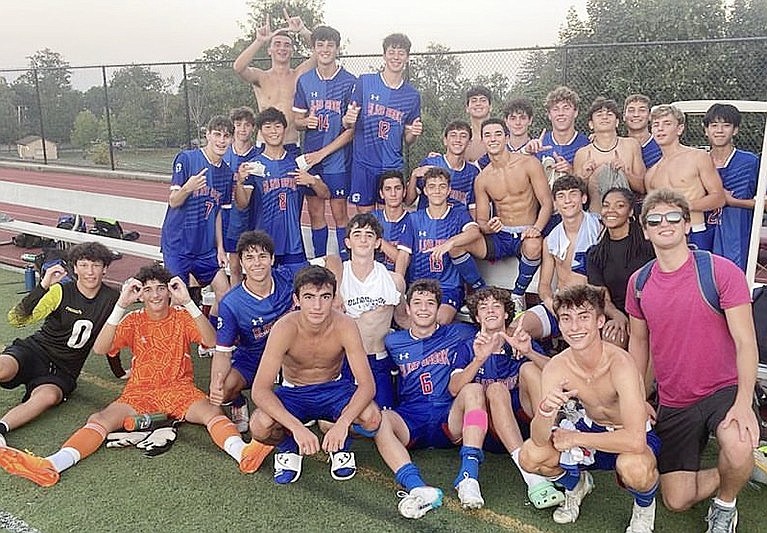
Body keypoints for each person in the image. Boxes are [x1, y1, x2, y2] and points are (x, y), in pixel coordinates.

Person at [0, 265, 270, 487]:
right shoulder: (133, 320)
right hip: (139, 393)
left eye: (161, 289)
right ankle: (52, 464)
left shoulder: (181, 316)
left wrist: (188, 302)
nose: (155, 295)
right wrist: (121, 304)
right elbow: (101, 348)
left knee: (213, 414)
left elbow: (211, 341)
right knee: (100, 419)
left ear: (169, 293)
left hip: (179, 390)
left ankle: (243, 453)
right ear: (140, 294)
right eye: (148, 290)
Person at [627, 189, 758, 532]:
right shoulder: (639, 283)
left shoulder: (720, 271)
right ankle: (739, 468)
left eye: (673, 217)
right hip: (674, 400)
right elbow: (639, 344)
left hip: (723, 389)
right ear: (645, 230)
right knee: (676, 499)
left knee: (738, 440)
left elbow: (746, 342)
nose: (664, 224)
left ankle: (726, 504)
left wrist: (744, 403)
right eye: (654, 220)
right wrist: (638, 399)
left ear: (687, 225)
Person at [520, 284, 660, 532]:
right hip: (590, 427)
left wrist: (575, 438)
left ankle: (644, 508)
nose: (574, 327)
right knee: (530, 455)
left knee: (635, 468)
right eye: (566, 318)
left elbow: (636, 440)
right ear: (559, 325)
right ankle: (576, 485)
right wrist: (544, 410)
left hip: (625, 434)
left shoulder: (621, 364)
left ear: (600, 321)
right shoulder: (557, 367)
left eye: (583, 317)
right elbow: (538, 439)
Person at [250, 265, 381, 484]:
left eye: (325, 296)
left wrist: (343, 424)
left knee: (372, 418)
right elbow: (260, 390)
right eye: (309, 297)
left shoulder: (345, 325)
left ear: (334, 298)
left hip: (333, 388)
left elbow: (367, 385)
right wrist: (296, 428)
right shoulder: (284, 328)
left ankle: (340, 445)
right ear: (297, 299)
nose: (317, 306)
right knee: (259, 426)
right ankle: (289, 448)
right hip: (294, 392)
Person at [375, 279, 487, 517]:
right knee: (381, 419)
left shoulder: (459, 332)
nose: (423, 308)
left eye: (430, 303)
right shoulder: (393, 341)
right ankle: (417, 488)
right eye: (417, 302)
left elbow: (492, 330)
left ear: (439, 309)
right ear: (407, 308)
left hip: (449, 415)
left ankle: (468, 478)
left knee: (474, 391)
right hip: (411, 416)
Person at [450, 287, 563, 510]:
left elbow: (559, 375)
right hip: (479, 428)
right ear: (476, 317)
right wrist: (479, 359)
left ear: (506, 314)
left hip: (516, 429)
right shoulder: (467, 346)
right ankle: (472, 477)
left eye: (496, 306)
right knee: (482, 390)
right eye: (483, 308)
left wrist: (529, 351)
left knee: (529, 370)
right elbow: (454, 389)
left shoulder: (519, 343)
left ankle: (552, 445)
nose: (490, 311)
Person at [0, 242, 118, 446]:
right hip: (35, 351)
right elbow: (17, 319)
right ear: (74, 268)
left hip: (64, 370)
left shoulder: (112, 298)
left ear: (105, 268)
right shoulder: (60, 291)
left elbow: (112, 337)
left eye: (96, 265)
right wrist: (43, 285)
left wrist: (119, 371)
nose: (90, 272)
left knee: (47, 397)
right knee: (3, 368)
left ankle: (1, 428)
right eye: (83, 265)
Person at [458, 117, 553, 314]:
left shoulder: (529, 164)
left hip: (526, 232)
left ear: (507, 137)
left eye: (498, 134)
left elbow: (546, 203)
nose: (493, 139)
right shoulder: (482, 178)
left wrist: (536, 228)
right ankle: (482, 294)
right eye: (487, 135)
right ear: (483, 141)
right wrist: (487, 227)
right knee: (457, 247)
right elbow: (482, 221)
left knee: (534, 245)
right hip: (501, 234)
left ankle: (518, 295)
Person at [210, 231, 297, 433]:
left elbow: (332, 260)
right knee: (223, 390)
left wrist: (336, 297)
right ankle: (238, 401)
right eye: (249, 257)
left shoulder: (288, 276)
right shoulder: (232, 302)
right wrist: (216, 381)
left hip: (292, 354)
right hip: (253, 357)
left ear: (272, 259)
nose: (256, 263)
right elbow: (223, 351)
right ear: (240, 262)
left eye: (262, 256)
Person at [160, 114, 234, 338]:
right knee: (177, 297)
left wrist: (220, 248)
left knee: (225, 292)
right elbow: (173, 201)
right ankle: (172, 345)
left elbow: (219, 211)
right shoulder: (187, 159)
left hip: (204, 248)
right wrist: (188, 187)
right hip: (178, 244)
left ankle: (209, 336)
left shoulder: (227, 173)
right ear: (208, 135)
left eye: (226, 136)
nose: (222, 140)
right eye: (217, 135)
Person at [234, 107, 329, 274]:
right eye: (268, 127)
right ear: (261, 132)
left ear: (284, 129)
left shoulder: (298, 163)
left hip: (293, 243)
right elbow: (242, 204)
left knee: (296, 288)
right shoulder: (254, 166)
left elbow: (325, 194)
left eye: (277, 126)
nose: (273, 131)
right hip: (263, 244)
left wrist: (312, 180)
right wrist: (240, 182)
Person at [325, 213, 406, 409]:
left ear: (378, 243)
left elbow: (403, 319)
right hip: (345, 359)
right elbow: (329, 259)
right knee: (330, 421)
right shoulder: (337, 276)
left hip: (376, 359)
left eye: (369, 235)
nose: (363, 239)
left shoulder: (393, 280)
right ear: (348, 242)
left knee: (382, 417)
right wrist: (335, 292)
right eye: (357, 234)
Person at [293, 25, 356, 259]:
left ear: (337, 48)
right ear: (314, 48)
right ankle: (319, 263)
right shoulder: (305, 81)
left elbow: (351, 131)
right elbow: (297, 120)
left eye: (330, 45)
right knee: (316, 212)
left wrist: (323, 154)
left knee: (339, 212)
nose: (325, 49)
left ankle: (346, 263)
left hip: (337, 158)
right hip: (311, 157)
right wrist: (305, 121)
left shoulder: (350, 82)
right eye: (320, 45)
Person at [343, 33, 422, 212]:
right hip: (364, 163)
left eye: (401, 53)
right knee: (365, 217)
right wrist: (347, 121)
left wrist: (414, 133)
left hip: (391, 165)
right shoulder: (365, 82)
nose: (396, 57)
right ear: (384, 55)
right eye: (392, 52)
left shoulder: (412, 95)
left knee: (391, 215)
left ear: (407, 58)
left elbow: (408, 139)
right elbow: (348, 122)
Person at [517, 175, 602, 340]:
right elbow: (543, 286)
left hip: (589, 306)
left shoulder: (599, 231)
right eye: (561, 196)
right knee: (518, 329)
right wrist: (554, 306)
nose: (568, 200)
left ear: (583, 198)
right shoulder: (550, 240)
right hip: (560, 304)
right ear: (555, 204)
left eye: (573, 194)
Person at [406, 167, 483, 324]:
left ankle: (480, 291)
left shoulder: (458, 213)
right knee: (415, 322)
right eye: (432, 186)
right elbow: (403, 255)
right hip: (419, 285)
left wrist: (450, 243)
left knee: (439, 320)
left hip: (449, 287)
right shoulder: (414, 218)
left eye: (442, 186)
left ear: (448, 190)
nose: (437, 191)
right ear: (425, 191)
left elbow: (474, 232)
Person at [645, 104, 725, 251]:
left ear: (680, 129)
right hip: (665, 233)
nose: (660, 129)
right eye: (656, 125)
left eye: (667, 123)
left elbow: (718, 198)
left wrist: (683, 206)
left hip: (695, 231)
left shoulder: (698, 157)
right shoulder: (651, 173)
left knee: (699, 273)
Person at [233, 9, 314, 152]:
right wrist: (259, 41)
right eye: (277, 44)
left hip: (290, 144)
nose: (282, 48)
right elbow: (238, 67)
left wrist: (302, 30)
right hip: (264, 146)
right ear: (269, 50)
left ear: (292, 51)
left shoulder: (298, 75)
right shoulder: (260, 77)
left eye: (287, 45)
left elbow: (319, 54)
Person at [586, 187, 655, 349]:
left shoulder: (649, 245)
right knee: (613, 335)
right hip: (618, 314)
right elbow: (601, 296)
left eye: (619, 205)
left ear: (630, 212)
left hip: (650, 312)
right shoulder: (595, 254)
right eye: (606, 205)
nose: (611, 210)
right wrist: (617, 316)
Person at [702, 103, 759, 271]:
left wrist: (731, 201)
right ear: (706, 130)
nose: (719, 130)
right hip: (703, 233)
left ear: (735, 130)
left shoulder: (750, 162)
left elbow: (764, 203)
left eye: (726, 125)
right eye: (714, 125)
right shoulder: (697, 160)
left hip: (736, 236)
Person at [573, 97, 646, 211]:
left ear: (617, 122)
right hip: (596, 216)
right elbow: (577, 196)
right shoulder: (582, 154)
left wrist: (626, 172)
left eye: (609, 114)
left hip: (626, 214)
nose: (604, 117)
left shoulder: (631, 145)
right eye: (599, 114)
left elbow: (642, 188)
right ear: (591, 124)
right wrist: (585, 177)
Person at [406, 120, 480, 216]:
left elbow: (472, 207)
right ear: (445, 140)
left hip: (457, 224)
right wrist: (414, 176)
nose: (458, 140)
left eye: (463, 136)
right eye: (453, 135)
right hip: (429, 224)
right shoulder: (431, 163)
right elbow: (409, 201)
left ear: (469, 142)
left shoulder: (473, 172)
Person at [223, 106, 260, 286]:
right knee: (234, 266)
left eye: (247, 125)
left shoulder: (258, 156)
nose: (243, 129)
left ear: (253, 128)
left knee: (253, 264)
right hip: (227, 218)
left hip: (250, 217)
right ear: (233, 127)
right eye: (238, 124)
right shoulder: (224, 153)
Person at [524, 86, 590, 176]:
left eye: (566, 108)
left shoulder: (586, 144)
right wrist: (526, 153)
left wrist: (572, 172)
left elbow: (591, 184)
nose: (561, 113)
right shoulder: (539, 145)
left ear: (575, 112)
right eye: (555, 109)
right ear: (549, 115)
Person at [372, 170, 415, 277]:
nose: (393, 194)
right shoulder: (371, 219)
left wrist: (380, 242)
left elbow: (405, 260)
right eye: (388, 189)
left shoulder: (414, 221)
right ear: (381, 194)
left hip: (406, 281)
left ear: (404, 192)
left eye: (398, 188)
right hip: (374, 280)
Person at [477, 97, 535, 169]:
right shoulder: (497, 149)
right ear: (506, 121)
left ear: (530, 120)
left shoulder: (537, 148)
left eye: (522, 118)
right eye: (513, 118)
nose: (518, 123)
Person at [623, 94, 662, 170]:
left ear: (650, 116)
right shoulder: (618, 146)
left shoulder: (662, 145)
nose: (636, 115)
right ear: (624, 116)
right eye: (631, 110)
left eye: (642, 110)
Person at [464, 86, 493, 162]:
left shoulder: (503, 136)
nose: (478, 104)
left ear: (490, 107)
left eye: (483, 100)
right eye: (474, 101)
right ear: (467, 108)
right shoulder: (462, 138)